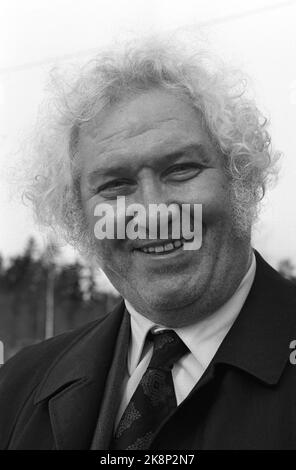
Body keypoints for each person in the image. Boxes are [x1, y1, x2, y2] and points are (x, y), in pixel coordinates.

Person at [1, 35, 296, 450]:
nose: (153, 211)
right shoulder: (17, 390)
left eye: (182, 169)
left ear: (240, 177)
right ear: (77, 215)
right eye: (116, 184)